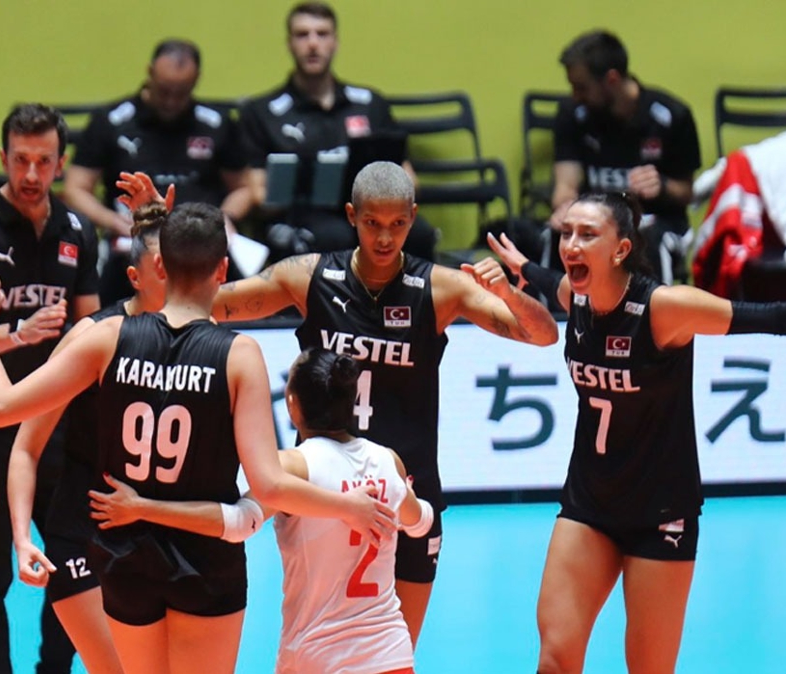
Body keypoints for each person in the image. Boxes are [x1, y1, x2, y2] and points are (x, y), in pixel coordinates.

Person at [489, 192, 786, 674]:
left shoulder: (665, 308)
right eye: (567, 233)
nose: (571, 244)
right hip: (589, 505)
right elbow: (551, 281)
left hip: (661, 515)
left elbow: (775, 317)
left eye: (588, 234)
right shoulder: (577, 299)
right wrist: (525, 268)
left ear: (621, 249)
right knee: (555, 660)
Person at [120, 160, 558, 646]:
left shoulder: (441, 287)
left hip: (405, 487)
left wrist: (508, 294)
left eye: (398, 224)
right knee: (315, 638)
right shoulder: (308, 276)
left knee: (396, 647)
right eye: (372, 223)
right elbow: (193, 300)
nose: (385, 237)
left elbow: (542, 335)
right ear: (351, 215)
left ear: (413, 217)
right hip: (322, 487)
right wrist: (161, 232)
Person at [0, 202, 396, 674]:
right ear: (223, 270)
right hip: (204, 560)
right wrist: (346, 505)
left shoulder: (107, 337)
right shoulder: (239, 354)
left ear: (161, 265)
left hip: (126, 555)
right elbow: (268, 486)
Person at [88, 347, 431, 674]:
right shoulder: (388, 461)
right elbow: (421, 523)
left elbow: (238, 523)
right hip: (391, 654)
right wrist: (406, 498)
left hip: (319, 657)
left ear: (291, 404)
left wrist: (143, 508)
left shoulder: (292, 468)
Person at [0, 103, 100, 674]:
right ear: (3, 158)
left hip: (55, 421)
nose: (31, 174)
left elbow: (90, 325)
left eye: (44, 161)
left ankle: (54, 668)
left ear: (61, 163)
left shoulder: (78, 231)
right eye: (21, 160)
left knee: (72, 561)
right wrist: (17, 334)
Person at [6, 202, 169, 674]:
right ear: (136, 276)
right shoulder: (90, 337)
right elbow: (25, 446)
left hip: (157, 531)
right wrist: (22, 538)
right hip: (83, 533)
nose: (176, 275)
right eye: (163, 266)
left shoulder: (197, 337)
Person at [238, 2, 436, 261]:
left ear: (335, 42)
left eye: (322, 34)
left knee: (419, 234)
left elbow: (409, 179)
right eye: (302, 35)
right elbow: (257, 194)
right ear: (289, 44)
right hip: (300, 217)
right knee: (334, 238)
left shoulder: (370, 104)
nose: (312, 44)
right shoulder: (262, 112)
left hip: (369, 212)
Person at [64, 38, 251, 304]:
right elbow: (75, 189)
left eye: (181, 92)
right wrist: (112, 221)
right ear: (150, 73)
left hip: (200, 236)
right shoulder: (112, 122)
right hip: (133, 237)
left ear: (196, 80)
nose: (171, 101)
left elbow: (244, 188)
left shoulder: (217, 124)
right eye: (164, 90)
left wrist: (226, 216)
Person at [551, 30, 701, 285]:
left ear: (611, 79)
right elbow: (565, 187)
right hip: (595, 219)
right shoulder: (572, 115)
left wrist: (662, 186)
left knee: (648, 239)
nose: (575, 96)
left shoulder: (672, 116)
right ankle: (555, 309)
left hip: (657, 221)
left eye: (582, 88)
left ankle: (654, 309)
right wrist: (566, 208)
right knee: (559, 234)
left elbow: (686, 192)